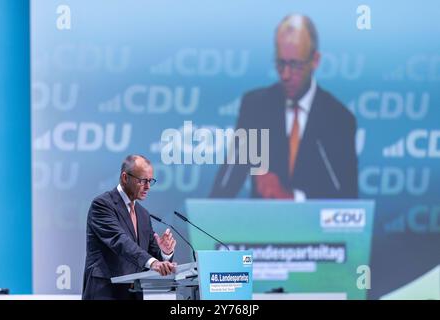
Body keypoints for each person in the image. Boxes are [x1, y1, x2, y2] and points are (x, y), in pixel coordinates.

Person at [210, 14, 358, 199]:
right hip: (261, 225)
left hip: (313, 227)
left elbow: (347, 201)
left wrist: (291, 197)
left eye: (295, 65)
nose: (286, 75)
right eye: (281, 63)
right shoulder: (256, 107)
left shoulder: (338, 119)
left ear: (315, 61)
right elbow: (227, 184)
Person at [82, 155, 177, 300]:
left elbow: (151, 256)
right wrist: (154, 263)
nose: (148, 187)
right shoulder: (102, 205)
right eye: (143, 181)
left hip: (133, 294)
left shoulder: (143, 214)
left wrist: (164, 253)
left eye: (150, 181)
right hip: (105, 292)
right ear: (125, 178)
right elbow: (120, 241)